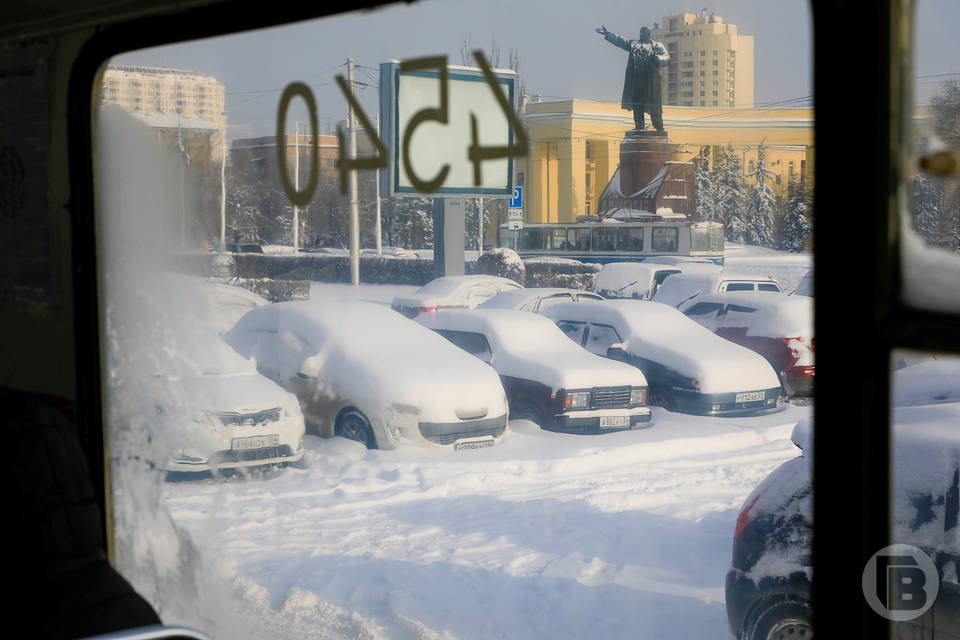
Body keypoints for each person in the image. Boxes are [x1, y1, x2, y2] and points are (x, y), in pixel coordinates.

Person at [596, 25, 670, 133]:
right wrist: (608, 34)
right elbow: (621, 41)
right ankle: (639, 126)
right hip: (637, 79)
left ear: (648, 35)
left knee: (654, 104)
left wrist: (658, 58)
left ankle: (659, 127)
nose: (641, 35)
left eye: (643, 33)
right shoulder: (634, 44)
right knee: (637, 104)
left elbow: (667, 58)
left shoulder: (656, 46)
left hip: (651, 81)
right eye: (640, 33)